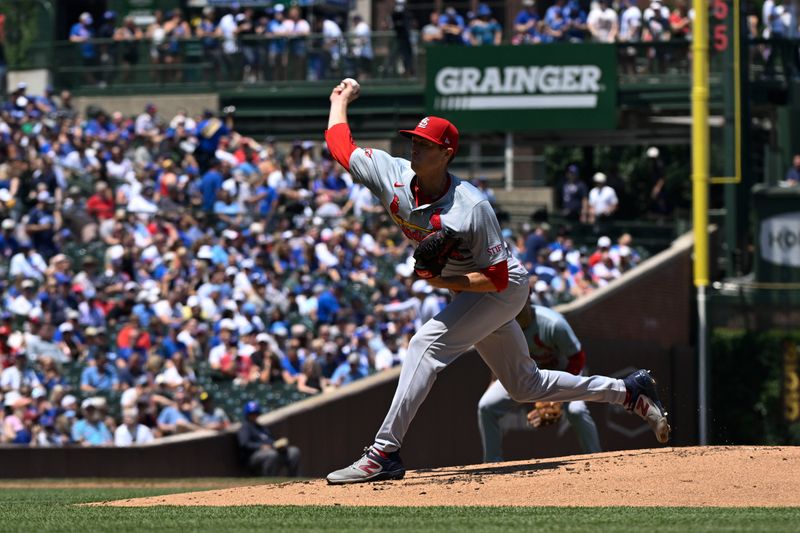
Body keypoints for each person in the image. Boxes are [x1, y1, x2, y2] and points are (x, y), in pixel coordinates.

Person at [322, 78, 670, 484]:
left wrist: (437, 282)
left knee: (424, 345)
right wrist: (339, 100)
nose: (414, 146)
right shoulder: (392, 174)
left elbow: (496, 277)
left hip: (502, 289)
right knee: (526, 386)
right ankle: (629, 391)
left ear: (446, 153)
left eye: (424, 143)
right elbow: (340, 145)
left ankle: (384, 452)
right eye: (412, 139)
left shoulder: (471, 206)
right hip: (470, 290)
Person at [478, 304, 601, 462]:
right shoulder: (504, 324)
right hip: (527, 377)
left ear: (527, 298)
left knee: (576, 410)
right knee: (486, 407)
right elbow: (501, 359)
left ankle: (596, 459)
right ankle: (492, 464)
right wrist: (493, 383)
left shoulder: (553, 323)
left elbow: (577, 359)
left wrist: (558, 396)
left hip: (563, 374)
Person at [237, 400, 301, 476]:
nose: (254, 415)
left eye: (256, 413)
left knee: (294, 451)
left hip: (271, 450)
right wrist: (261, 446)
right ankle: (269, 480)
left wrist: (278, 445)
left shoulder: (261, 427)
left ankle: (293, 479)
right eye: (252, 414)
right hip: (253, 456)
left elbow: (270, 440)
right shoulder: (245, 427)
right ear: (247, 414)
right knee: (272, 454)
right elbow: (244, 444)